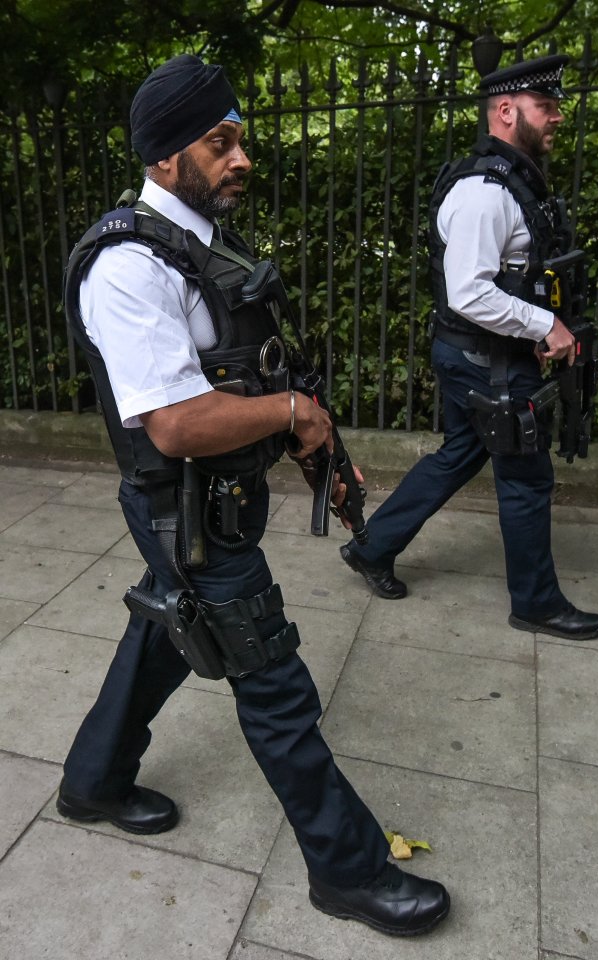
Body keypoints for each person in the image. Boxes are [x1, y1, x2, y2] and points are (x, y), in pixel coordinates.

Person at [56, 55, 450, 938]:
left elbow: (249, 358)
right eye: (219, 143)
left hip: (218, 505)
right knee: (273, 682)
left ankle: (92, 784)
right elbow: (175, 425)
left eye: (240, 141)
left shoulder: (202, 239)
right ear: (164, 158)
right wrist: (291, 412)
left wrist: (314, 439)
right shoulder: (127, 266)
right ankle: (348, 870)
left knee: (164, 629)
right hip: (187, 514)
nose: (241, 159)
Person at [340, 55, 598, 643]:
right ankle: (535, 603)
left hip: (481, 358)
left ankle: (372, 548)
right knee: (527, 479)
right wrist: (545, 327)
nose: (558, 116)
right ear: (506, 111)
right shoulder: (486, 194)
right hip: (485, 363)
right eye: (547, 106)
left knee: (460, 452)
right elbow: (468, 294)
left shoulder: (511, 182)